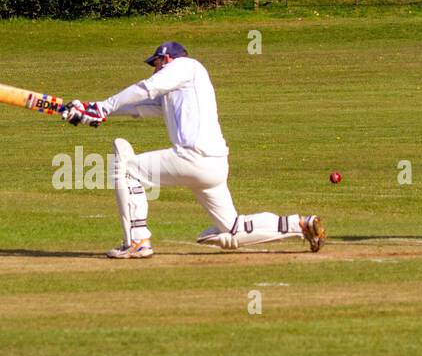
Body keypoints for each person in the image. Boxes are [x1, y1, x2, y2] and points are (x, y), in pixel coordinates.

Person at [61, 41, 325, 259]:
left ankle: (137, 241)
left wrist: (102, 107)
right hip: (213, 165)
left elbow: (146, 88)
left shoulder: (188, 66)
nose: (154, 70)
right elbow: (136, 107)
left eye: (156, 64)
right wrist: (86, 109)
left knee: (128, 169)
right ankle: (300, 224)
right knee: (232, 229)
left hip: (193, 156)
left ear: (167, 60)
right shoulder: (176, 92)